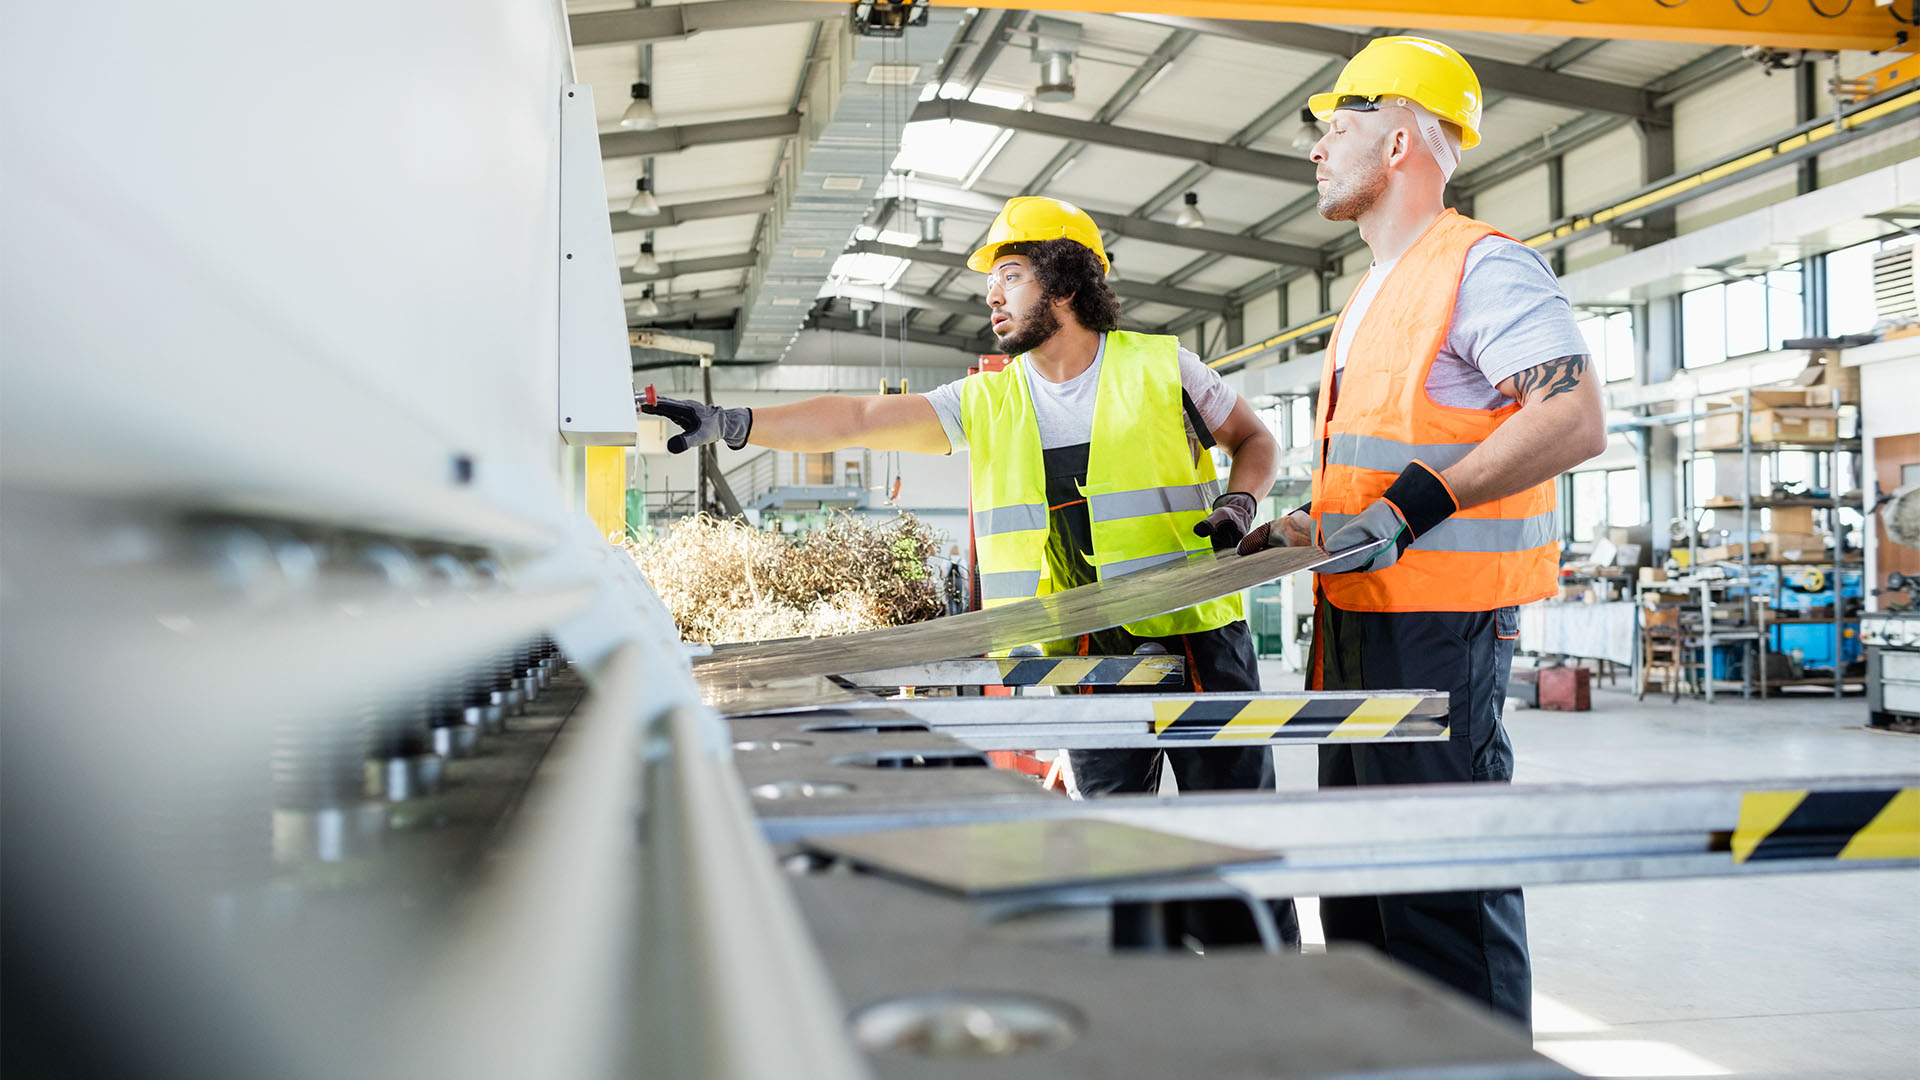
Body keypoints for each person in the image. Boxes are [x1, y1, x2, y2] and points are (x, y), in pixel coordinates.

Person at [642, 195, 1296, 949]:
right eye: (990, 280)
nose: (990, 294)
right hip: (1079, 657)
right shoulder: (987, 400)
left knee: (1236, 842)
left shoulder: (1162, 366)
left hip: (1195, 639)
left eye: (1010, 274)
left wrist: (1241, 503)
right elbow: (859, 420)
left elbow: (1255, 438)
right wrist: (734, 423)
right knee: (1114, 849)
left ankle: (1265, 996)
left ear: (1066, 283)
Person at [1235, 36, 1607, 1026]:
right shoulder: (1370, 293)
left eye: (1337, 127)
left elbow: (1572, 416)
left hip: (1440, 636)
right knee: (1361, 897)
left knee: (1443, 899)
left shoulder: (1480, 266)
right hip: (1354, 627)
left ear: (1400, 137)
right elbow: (1385, 464)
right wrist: (1309, 525)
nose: (1317, 149)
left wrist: (1414, 507)